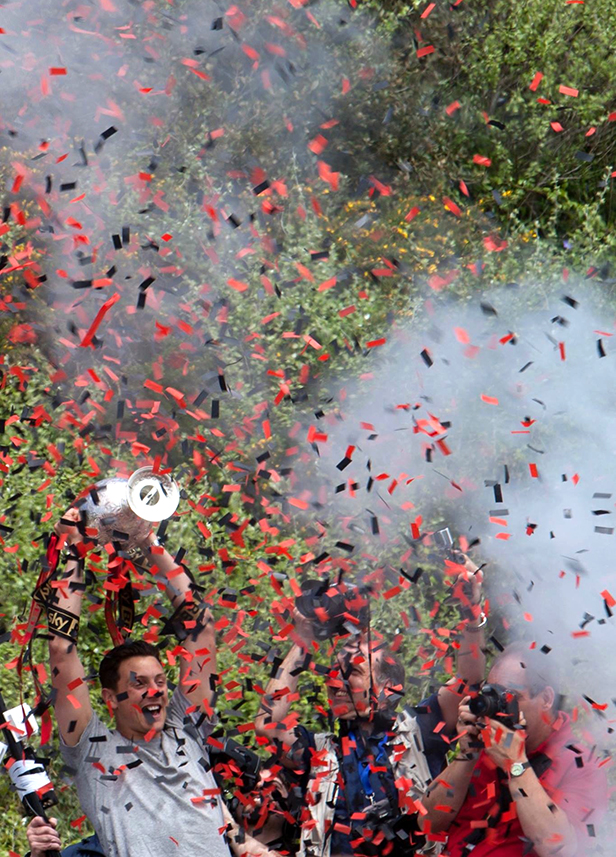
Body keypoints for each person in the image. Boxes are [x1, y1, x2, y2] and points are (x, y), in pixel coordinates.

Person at [254, 555, 487, 857]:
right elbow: (266, 726)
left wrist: (472, 613)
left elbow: (469, 680)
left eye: (353, 672)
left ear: (389, 688)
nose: (336, 681)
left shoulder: (421, 732)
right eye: (333, 672)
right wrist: (303, 640)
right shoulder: (318, 751)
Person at [45, 508, 231, 857]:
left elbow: (201, 627)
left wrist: (149, 542)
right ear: (110, 697)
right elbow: (60, 649)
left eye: (161, 680)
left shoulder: (186, 727)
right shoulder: (91, 750)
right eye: (140, 683)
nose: (156, 691)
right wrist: (73, 551)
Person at [419, 643, 608, 857]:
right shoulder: (487, 745)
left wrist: (516, 764)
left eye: (509, 698)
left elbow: (560, 850)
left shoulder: (582, 765)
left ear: (546, 699)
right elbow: (427, 822)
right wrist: (467, 755)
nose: (498, 709)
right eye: (491, 695)